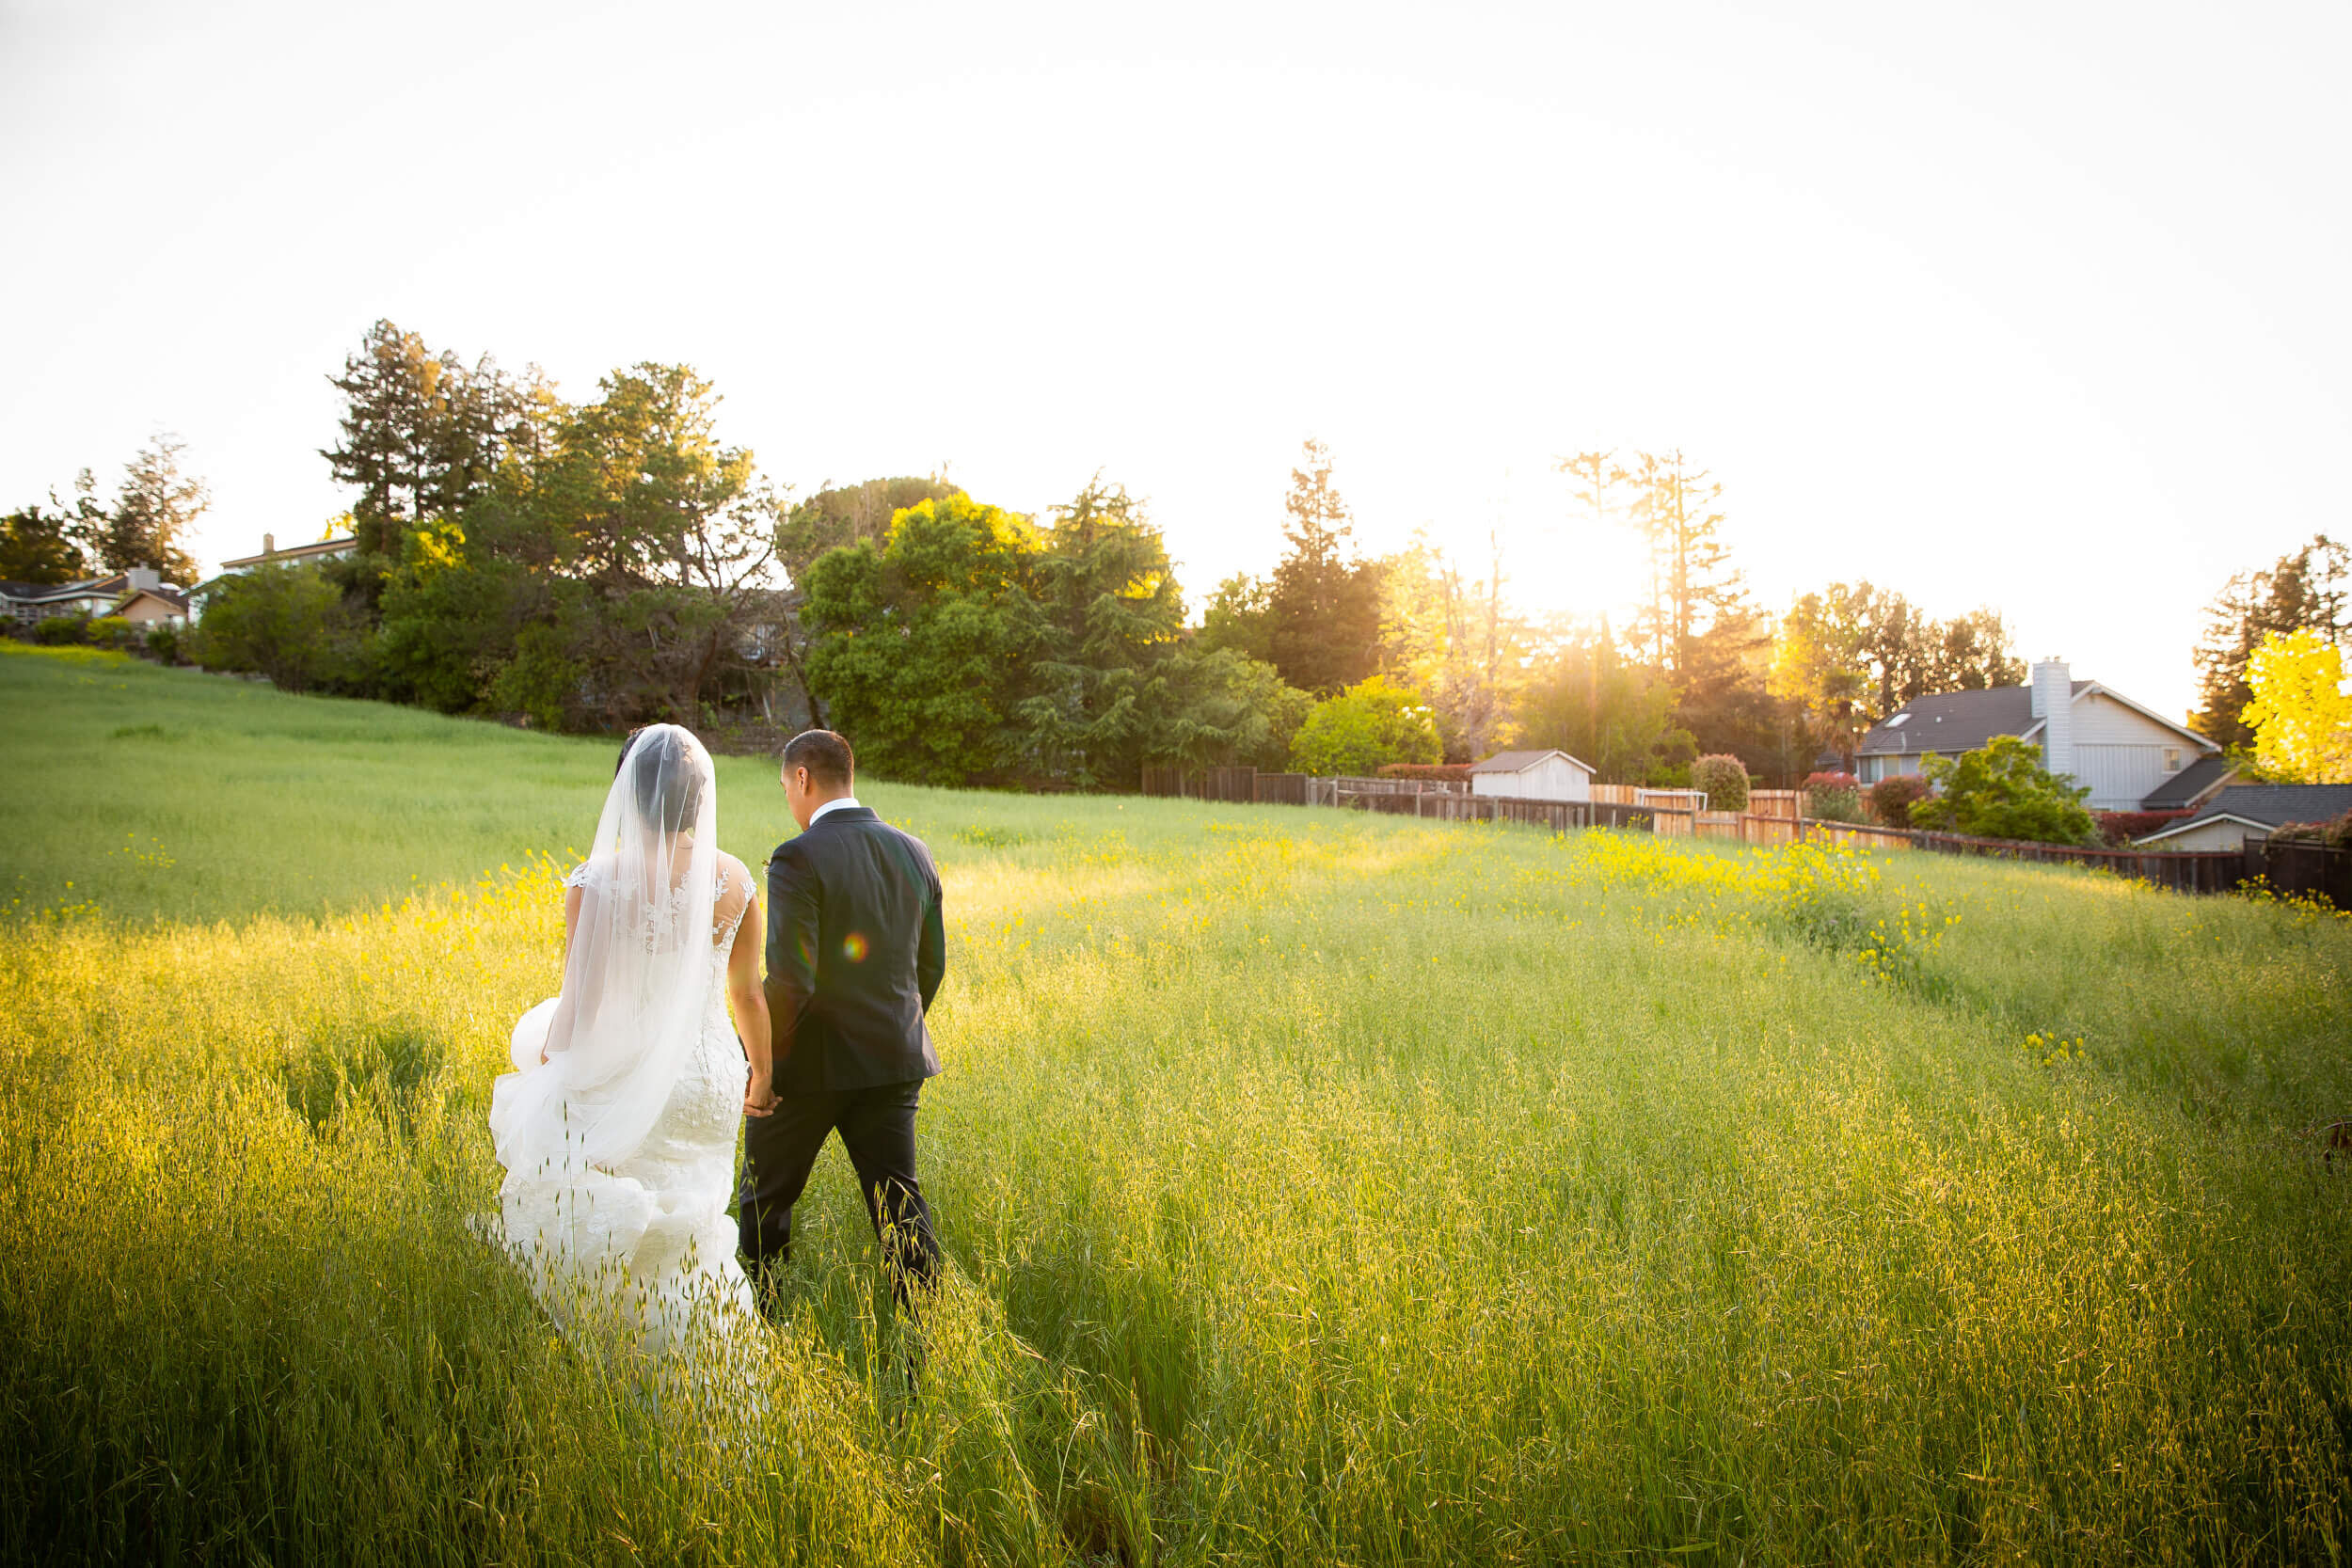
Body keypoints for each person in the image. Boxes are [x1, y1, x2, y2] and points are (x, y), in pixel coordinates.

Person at [487, 724, 774, 1355]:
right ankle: (715, 1366)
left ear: (626, 791)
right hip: (710, 1081)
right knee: (695, 1237)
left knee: (629, 1244)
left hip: (633, 1082)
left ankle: (630, 1373)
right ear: (701, 796)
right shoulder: (734, 882)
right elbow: (749, 994)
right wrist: (762, 1072)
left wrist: (544, 1064)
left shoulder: (596, 881)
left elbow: (580, 1008)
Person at [738, 728, 946, 1311]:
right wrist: (889, 1028)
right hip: (893, 1062)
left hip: (807, 1068)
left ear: (802, 777)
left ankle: (765, 1339)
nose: (788, 800)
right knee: (901, 1212)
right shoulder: (915, 851)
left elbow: (790, 982)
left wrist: (762, 1066)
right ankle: (927, 1346)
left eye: (786, 787)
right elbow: (930, 965)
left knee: (763, 1207)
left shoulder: (797, 855)